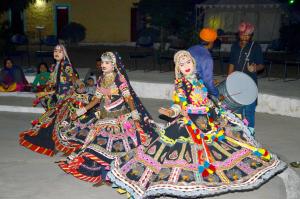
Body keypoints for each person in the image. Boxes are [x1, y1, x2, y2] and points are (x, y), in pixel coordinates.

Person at [107, 50, 286, 199]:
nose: (186, 65)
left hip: (205, 119)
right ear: (178, 68)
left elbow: (205, 101)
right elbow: (179, 104)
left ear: (193, 63)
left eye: (188, 62)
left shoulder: (199, 81)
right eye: (182, 63)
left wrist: (217, 108)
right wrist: (172, 112)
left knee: (225, 142)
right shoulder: (181, 85)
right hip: (190, 121)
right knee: (179, 153)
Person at [58, 52, 156, 185]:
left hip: (120, 118)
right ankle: (104, 176)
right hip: (105, 117)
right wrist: (80, 111)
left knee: (116, 149)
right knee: (98, 145)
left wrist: (134, 113)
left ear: (113, 65)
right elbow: (96, 100)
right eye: (102, 63)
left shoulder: (119, 79)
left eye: (107, 63)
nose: (103, 65)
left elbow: (128, 97)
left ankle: (109, 176)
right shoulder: (101, 80)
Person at [19, 44, 83, 156]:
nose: (57, 53)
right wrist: (47, 90)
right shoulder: (55, 66)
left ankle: (68, 148)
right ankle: (58, 146)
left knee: (64, 123)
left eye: (60, 51)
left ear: (64, 53)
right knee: (55, 122)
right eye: (55, 50)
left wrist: (79, 84)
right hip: (58, 98)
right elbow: (52, 82)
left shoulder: (66, 65)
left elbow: (73, 77)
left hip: (67, 99)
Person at [228, 22, 264, 132]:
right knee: (236, 109)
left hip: (250, 83)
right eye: (243, 35)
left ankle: (250, 134)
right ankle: (237, 133)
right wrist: (229, 79)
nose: (245, 37)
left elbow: (261, 65)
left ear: (251, 35)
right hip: (236, 83)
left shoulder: (255, 47)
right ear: (239, 34)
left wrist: (255, 68)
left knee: (249, 110)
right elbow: (232, 63)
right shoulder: (234, 46)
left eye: (248, 35)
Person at [188, 28, 219, 98]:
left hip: (184, 86)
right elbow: (207, 82)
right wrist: (217, 94)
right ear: (211, 42)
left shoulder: (190, 49)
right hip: (195, 92)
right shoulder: (207, 58)